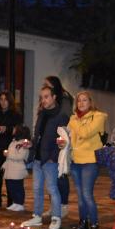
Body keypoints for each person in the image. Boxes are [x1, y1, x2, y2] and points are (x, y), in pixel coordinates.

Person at [22, 86, 70, 229]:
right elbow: (38, 135)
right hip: (38, 157)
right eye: (42, 97)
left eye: (46, 96)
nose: (43, 100)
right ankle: (37, 216)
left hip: (50, 159)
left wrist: (53, 158)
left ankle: (56, 217)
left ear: (54, 97)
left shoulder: (61, 116)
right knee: (37, 189)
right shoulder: (42, 114)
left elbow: (63, 139)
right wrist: (31, 143)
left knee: (52, 188)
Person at [67, 91, 107, 229]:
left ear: (90, 102)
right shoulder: (74, 119)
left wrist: (74, 122)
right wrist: (63, 142)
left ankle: (95, 227)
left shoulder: (98, 117)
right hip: (75, 160)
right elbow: (70, 137)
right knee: (80, 196)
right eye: (79, 101)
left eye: (84, 100)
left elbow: (85, 133)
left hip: (90, 161)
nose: (81, 103)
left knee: (87, 194)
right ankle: (83, 223)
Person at [44, 76, 73, 218]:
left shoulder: (65, 98)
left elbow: (65, 118)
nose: (45, 86)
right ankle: (54, 206)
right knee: (51, 177)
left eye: (47, 84)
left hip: (62, 138)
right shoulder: (47, 100)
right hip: (50, 138)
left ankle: (63, 205)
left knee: (61, 173)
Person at [0, 91, 22, 208]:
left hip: (9, 148)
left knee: (9, 175)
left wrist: (6, 129)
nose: (3, 102)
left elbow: (18, 130)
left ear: (10, 101)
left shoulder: (15, 114)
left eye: (5, 99)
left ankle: (10, 200)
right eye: (1, 99)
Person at [2, 124, 31, 211]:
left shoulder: (23, 143)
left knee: (18, 186)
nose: (13, 130)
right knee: (10, 186)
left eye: (15, 129)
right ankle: (15, 202)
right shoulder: (13, 142)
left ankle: (20, 203)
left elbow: (21, 156)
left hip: (17, 168)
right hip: (10, 167)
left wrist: (8, 154)